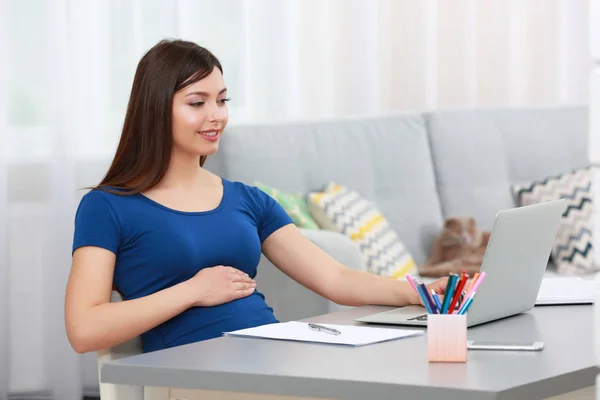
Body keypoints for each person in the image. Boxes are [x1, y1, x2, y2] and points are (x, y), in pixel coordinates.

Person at [64, 39, 447, 354]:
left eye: (222, 100)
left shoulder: (247, 200)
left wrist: (421, 293)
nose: (216, 115)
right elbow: (84, 329)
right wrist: (193, 291)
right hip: (193, 373)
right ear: (155, 110)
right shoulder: (108, 206)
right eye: (197, 103)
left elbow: (336, 278)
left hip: (272, 354)